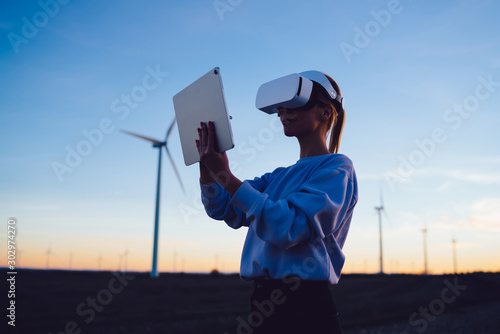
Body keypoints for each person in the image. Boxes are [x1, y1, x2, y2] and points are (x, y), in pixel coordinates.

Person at [196, 71, 358, 334]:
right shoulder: (277, 177)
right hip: (263, 304)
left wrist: (226, 176)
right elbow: (223, 208)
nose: (284, 111)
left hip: (305, 307)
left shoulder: (337, 168)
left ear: (325, 112)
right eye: (281, 106)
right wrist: (208, 169)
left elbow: (290, 226)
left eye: (296, 103)